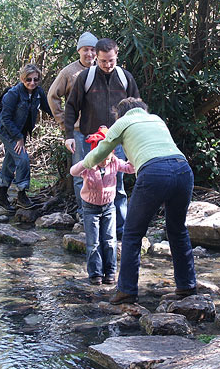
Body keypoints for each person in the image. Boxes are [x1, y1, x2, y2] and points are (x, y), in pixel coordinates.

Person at [78, 97, 196, 304]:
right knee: (178, 230)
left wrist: (83, 165)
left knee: (132, 233)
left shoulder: (122, 122)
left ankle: (127, 290)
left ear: (120, 114)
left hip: (154, 173)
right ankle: (186, 285)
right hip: (183, 169)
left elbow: (101, 151)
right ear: (143, 109)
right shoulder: (156, 119)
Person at [64, 38, 140, 238]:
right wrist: (69, 135)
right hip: (89, 138)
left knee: (119, 182)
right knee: (84, 179)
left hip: (118, 139)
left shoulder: (125, 78)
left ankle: (119, 228)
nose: (107, 65)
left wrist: (135, 136)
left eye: (111, 61)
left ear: (117, 56)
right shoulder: (85, 78)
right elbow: (71, 107)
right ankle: (86, 219)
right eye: (103, 61)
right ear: (96, 58)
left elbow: (136, 108)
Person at [70, 126, 135, 286]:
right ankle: (95, 274)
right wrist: (86, 161)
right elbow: (73, 171)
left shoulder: (114, 162)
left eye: (107, 156)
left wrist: (133, 155)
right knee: (93, 243)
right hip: (90, 208)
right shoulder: (88, 165)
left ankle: (110, 272)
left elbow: (130, 168)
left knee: (110, 241)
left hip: (109, 207)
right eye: (101, 157)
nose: (105, 161)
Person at [47, 32, 98, 219]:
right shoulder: (69, 72)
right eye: (86, 50)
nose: (90, 54)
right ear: (79, 51)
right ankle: (83, 211)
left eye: (93, 50)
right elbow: (52, 97)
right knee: (80, 172)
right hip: (77, 131)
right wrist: (64, 123)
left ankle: (99, 210)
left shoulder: (103, 69)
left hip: (100, 132)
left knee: (101, 171)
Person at [0, 63, 52, 210]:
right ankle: (21, 194)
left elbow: (48, 108)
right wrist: (18, 137)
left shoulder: (38, 93)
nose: (32, 83)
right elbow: (6, 119)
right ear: (22, 79)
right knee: (23, 158)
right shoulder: (13, 94)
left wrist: (65, 117)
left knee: (10, 159)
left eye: (35, 79)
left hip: (21, 130)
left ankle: (1, 197)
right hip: (7, 130)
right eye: (28, 79)